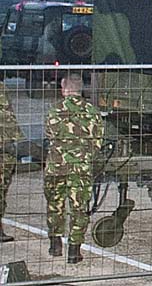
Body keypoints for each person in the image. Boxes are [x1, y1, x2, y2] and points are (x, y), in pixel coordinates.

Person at [44, 74, 104, 263]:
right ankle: (74, 250)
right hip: (81, 168)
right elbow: (97, 142)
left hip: (56, 167)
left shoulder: (56, 110)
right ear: (80, 89)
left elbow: (49, 135)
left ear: (64, 89)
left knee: (55, 204)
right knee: (79, 208)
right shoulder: (92, 111)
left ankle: (55, 244)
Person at [0, 83, 22, 243]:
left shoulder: (1, 87)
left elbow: (8, 116)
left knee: (2, 190)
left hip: (7, 148)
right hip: (5, 145)